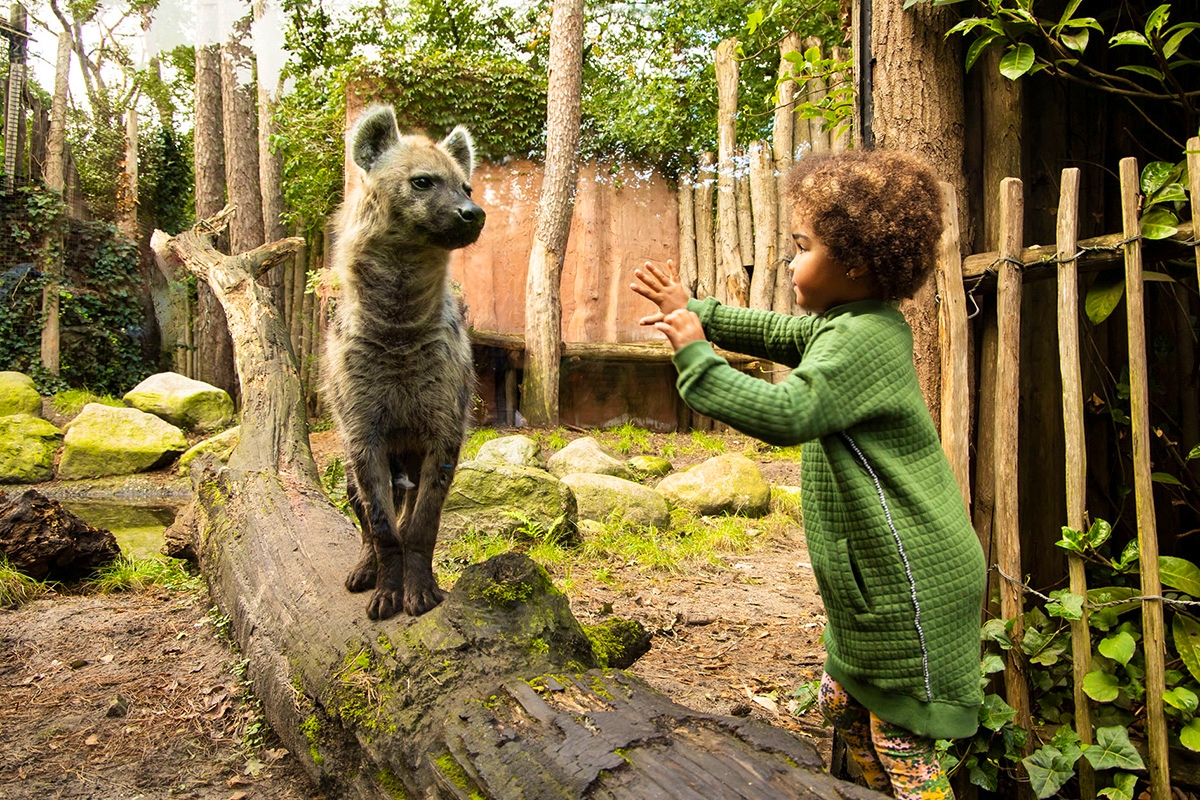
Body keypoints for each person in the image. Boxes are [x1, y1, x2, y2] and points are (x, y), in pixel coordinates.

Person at [631, 149, 984, 800]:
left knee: (901, 739)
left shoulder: (861, 341)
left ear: (853, 262)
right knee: (841, 703)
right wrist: (699, 310)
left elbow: (787, 412)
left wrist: (696, 357)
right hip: (878, 581)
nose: (792, 262)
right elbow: (778, 333)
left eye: (803, 247)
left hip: (909, 583)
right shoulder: (852, 322)